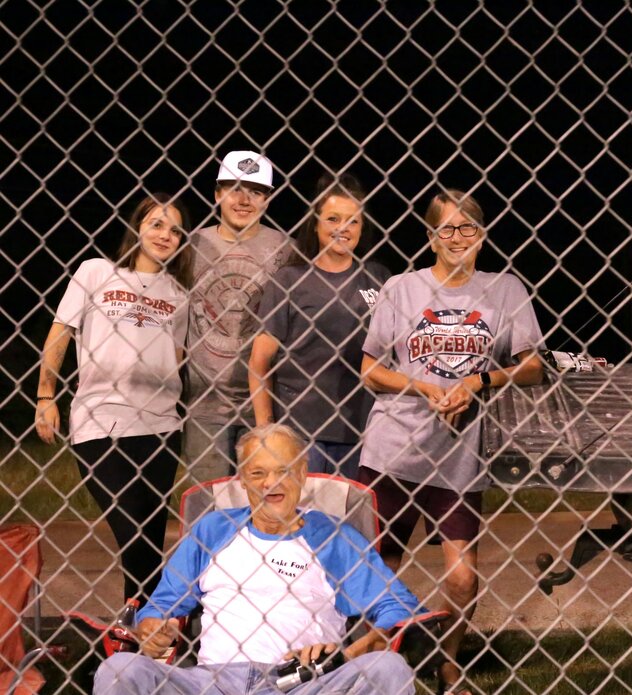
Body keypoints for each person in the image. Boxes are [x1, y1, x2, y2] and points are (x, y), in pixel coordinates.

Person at [357, 190, 544, 695]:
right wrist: (424, 386)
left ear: (482, 235)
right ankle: (375, 658)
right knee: (382, 566)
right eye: (446, 228)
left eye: (467, 228)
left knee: (462, 577)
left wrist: (478, 382)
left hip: (459, 456)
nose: (457, 237)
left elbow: (533, 365)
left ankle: (447, 661)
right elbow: (369, 368)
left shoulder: (505, 290)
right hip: (393, 447)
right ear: (430, 236)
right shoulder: (402, 288)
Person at [92, 424, 418, 695]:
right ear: (243, 479)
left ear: (303, 473)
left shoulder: (334, 538)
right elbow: (162, 606)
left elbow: (401, 611)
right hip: (213, 683)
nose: (269, 483)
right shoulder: (213, 530)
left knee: (387, 669)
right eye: (258, 472)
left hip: (305, 684)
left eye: (282, 471)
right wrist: (153, 628)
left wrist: (344, 655)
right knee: (120, 669)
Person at [34, 193, 192, 604]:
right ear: (137, 227)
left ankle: (139, 631)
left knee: (148, 541)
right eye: (156, 224)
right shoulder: (96, 272)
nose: (165, 235)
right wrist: (45, 394)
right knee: (132, 532)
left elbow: (175, 359)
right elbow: (61, 333)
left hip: (160, 427)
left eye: (175, 229)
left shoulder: (178, 294)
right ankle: (151, 623)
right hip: (98, 421)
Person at [249, 173, 390, 479]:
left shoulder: (379, 279)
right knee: (303, 518)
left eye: (353, 221)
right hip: (301, 433)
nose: (343, 228)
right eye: (333, 219)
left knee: (350, 521)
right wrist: (265, 427)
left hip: (362, 431)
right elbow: (260, 361)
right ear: (315, 224)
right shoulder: (289, 281)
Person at [184, 150, 289, 484]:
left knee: (265, 504)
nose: (244, 199)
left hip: (268, 403)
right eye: (234, 189)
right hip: (204, 406)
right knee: (208, 507)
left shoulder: (287, 249)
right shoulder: (191, 245)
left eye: (255, 191)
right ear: (217, 194)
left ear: (268, 199)